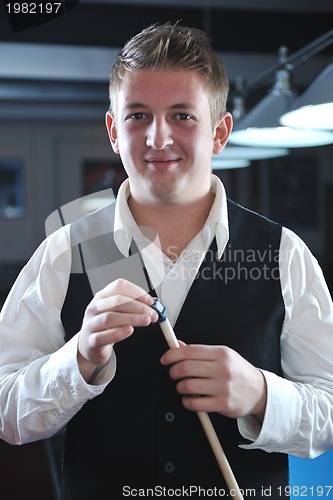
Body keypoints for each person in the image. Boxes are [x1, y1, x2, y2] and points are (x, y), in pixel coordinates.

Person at [0, 22, 333, 500]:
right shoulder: (61, 252)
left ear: (219, 133)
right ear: (114, 131)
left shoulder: (285, 254)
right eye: (138, 115)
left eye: (182, 115)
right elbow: (6, 413)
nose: (158, 138)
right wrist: (77, 360)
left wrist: (261, 394)